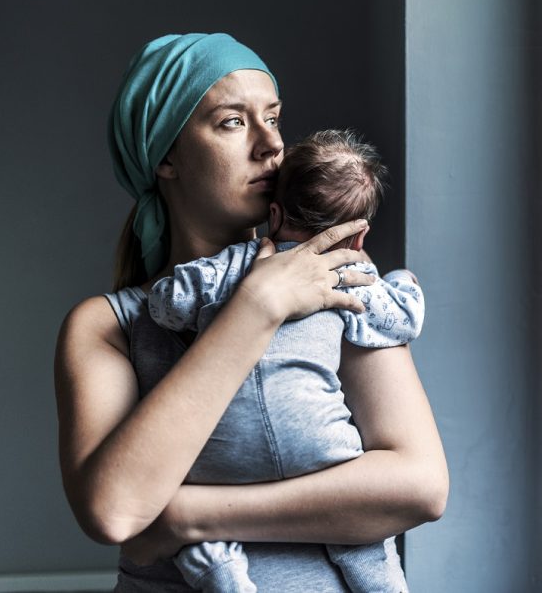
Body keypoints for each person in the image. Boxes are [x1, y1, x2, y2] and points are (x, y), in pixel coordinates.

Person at [54, 33, 448, 592]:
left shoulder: (333, 276)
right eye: (233, 122)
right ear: (165, 155)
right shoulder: (106, 326)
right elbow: (115, 511)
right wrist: (257, 307)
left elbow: (420, 486)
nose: (271, 146)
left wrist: (190, 515)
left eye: (274, 118)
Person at [150, 129, 424, 592]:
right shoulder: (353, 276)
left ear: (274, 214)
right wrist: (400, 281)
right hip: (320, 454)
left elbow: (167, 304)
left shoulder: (236, 263)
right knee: (362, 542)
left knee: (202, 541)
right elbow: (402, 321)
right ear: (359, 237)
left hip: (222, 464)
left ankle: (219, 567)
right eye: (234, 121)